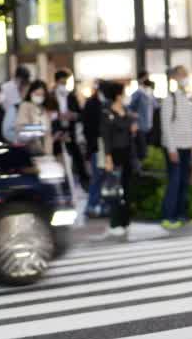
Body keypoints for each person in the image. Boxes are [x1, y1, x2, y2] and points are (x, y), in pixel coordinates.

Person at [160, 65, 192, 229]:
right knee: (174, 182)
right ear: (174, 78)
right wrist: (171, 148)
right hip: (175, 147)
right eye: (182, 75)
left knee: (184, 182)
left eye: (186, 75)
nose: (185, 78)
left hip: (187, 146)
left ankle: (182, 215)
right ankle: (168, 216)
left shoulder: (188, 98)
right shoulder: (170, 99)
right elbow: (166, 125)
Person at [98, 81, 138, 239]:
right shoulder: (107, 112)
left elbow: (130, 129)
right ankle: (115, 223)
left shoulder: (126, 110)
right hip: (115, 154)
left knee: (127, 189)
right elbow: (106, 137)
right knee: (115, 189)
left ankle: (125, 220)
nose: (125, 96)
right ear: (117, 95)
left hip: (128, 152)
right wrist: (108, 158)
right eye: (123, 93)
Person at [51, 70, 88, 187]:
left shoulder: (71, 96)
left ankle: (83, 180)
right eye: (62, 83)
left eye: (65, 83)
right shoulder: (50, 96)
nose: (64, 85)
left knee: (76, 155)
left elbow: (80, 114)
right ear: (56, 82)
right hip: (56, 131)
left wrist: (73, 115)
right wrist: (58, 116)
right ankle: (60, 182)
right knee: (56, 156)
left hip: (69, 130)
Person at [9, 80, 54, 155]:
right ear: (31, 93)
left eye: (42, 94)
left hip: (44, 152)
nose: (39, 96)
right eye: (37, 94)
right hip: (29, 150)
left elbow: (48, 134)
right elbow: (20, 129)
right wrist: (40, 129)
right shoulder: (25, 106)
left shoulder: (44, 110)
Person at [83, 82, 106, 215]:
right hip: (96, 146)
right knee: (97, 176)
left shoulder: (102, 104)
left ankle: (96, 203)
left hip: (101, 146)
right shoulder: (92, 104)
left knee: (101, 176)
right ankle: (92, 205)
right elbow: (89, 128)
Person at [128, 75, 156, 169]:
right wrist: (135, 117)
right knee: (142, 151)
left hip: (149, 125)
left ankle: (146, 170)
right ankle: (140, 172)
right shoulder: (138, 93)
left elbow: (155, 106)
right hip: (140, 126)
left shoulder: (150, 94)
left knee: (148, 149)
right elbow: (130, 108)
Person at [0, 66, 31, 143]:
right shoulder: (5, 87)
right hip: (9, 116)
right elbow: (0, 103)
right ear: (16, 76)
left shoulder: (26, 86)